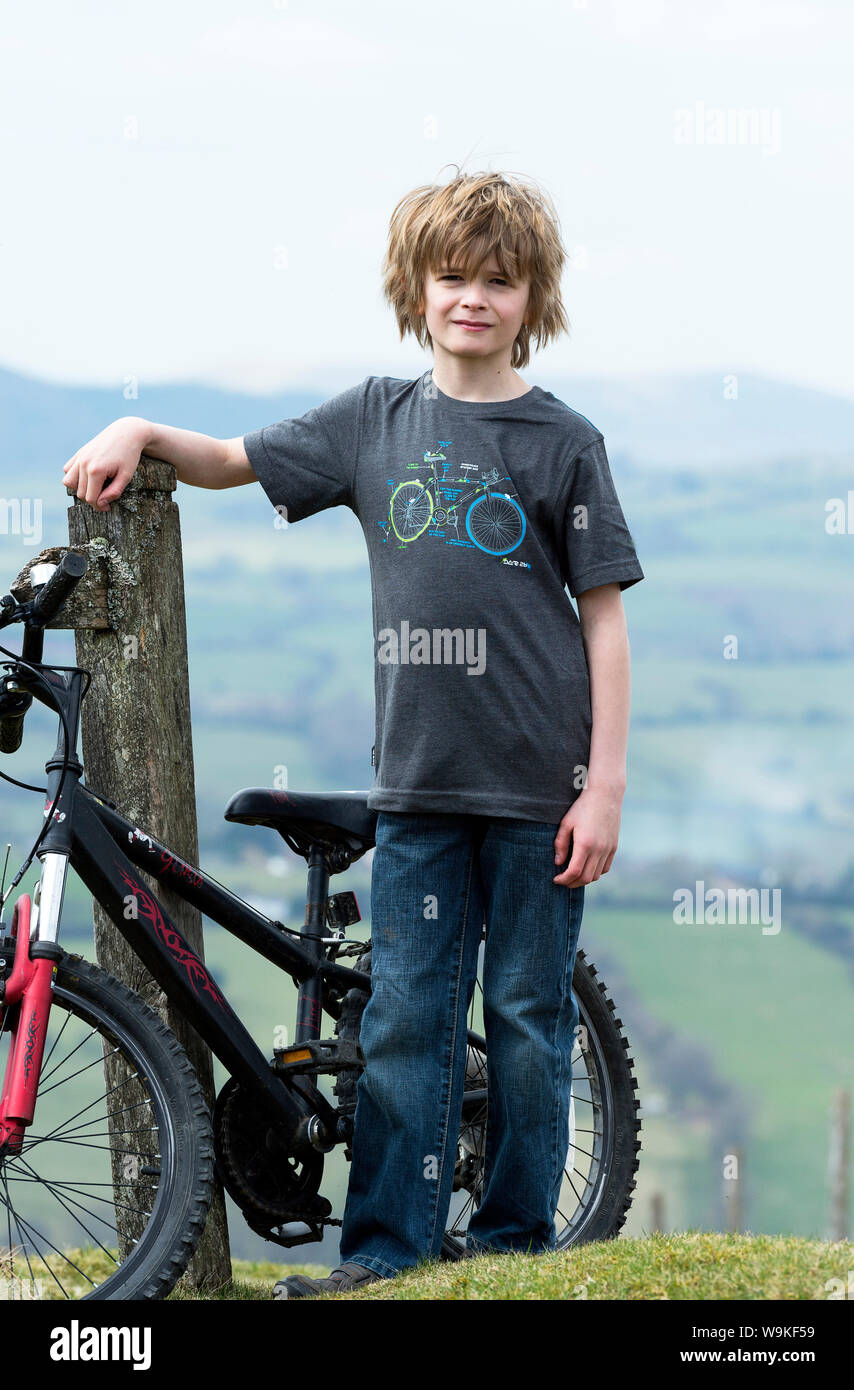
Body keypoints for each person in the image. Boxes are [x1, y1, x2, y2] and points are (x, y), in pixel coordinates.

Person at [62, 168, 644, 1300]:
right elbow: (230, 461)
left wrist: (604, 785)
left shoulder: (566, 441)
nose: (472, 297)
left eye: (499, 279)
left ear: (533, 298)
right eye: (452, 276)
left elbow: (606, 621)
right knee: (406, 1025)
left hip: (541, 789)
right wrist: (136, 424)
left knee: (525, 1021)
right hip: (418, 789)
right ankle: (386, 1252)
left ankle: (517, 1249)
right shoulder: (371, 420)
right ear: (415, 288)